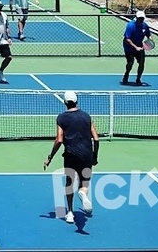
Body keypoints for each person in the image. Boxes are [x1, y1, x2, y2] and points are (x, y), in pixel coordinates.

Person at [44, 90, 99, 224]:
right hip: (86, 154)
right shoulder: (86, 116)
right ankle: (83, 193)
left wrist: (50, 157)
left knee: (69, 183)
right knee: (84, 183)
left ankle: (69, 212)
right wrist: (94, 156)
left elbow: (59, 140)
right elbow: (96, 139)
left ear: (64, 102)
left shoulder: (61, 118)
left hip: (70, 155)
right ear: (76, 101)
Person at [122, 10, 151, 86]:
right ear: (136, 18)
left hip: (140, 47)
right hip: (129, 47)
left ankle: (138, 79)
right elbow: (127, 38)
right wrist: (136, 47)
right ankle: (126, 74)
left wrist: (150, 39)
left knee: (141, 63)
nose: (141, 20)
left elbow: (148, 34)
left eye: (142, 18)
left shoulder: (145, 26)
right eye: (139, 18)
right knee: (130, 63)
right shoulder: (130, 26)